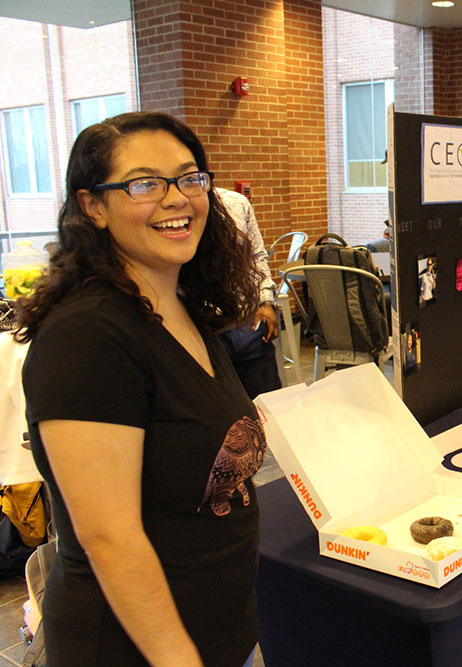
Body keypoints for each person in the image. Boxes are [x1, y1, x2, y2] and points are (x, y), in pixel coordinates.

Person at [15, 111, 265, 666]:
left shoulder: (179, 307)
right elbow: (110, 538)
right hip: (138, 651)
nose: (177, 198)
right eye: (144, 183)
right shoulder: (89, 335)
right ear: (93, 207)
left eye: (189, 178)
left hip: (221, 633)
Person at [216, 186, 282, 399]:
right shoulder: (177, 212)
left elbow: (257, 256)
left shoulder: (236, 203)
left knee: (269, 405)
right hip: (206, 329)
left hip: (248, 322)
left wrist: (266, 301)